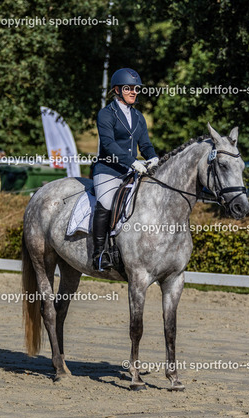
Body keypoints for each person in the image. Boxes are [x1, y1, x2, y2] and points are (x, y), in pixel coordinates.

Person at [92, 68, 159, 270]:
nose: (133, 92)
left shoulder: (138, 116)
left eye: (136, 89)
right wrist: (132, 161)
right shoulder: (106, 114)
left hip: (131, 171)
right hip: (108, 170)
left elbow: (145, 144)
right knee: (106, 202)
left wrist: (153, 157)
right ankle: (99, 254)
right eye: (129, 88)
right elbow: (108, 144)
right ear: (117, 90)